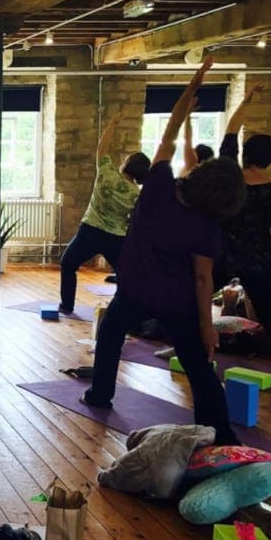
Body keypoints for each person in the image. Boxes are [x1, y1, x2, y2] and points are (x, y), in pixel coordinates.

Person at [82, 58, 246, 446]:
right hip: (177, 302)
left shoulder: (157, 183)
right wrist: (207, 325)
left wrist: (190, 92)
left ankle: (100, 393)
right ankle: (220, 430)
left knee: (110, 336)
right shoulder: (205, 224)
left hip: (135, 290)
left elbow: (169, 137)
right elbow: (203, 278)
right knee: (198, 364)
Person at [58, 110, 149, 313]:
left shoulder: (106, 173)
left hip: (90, 229)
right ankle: (122, 309)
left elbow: (102, 147)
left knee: (68, 264)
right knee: (125, 276)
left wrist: (113, 123)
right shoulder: (136, 194)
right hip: (116, 237)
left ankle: (67, 305)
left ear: (126, 164)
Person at [214, 83, 271, 335]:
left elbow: (230, 133)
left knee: (192, 299)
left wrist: (246, 100)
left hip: (221, 252)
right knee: (270, 313)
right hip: (258, 259)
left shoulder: (230, 176)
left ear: (246, 154)